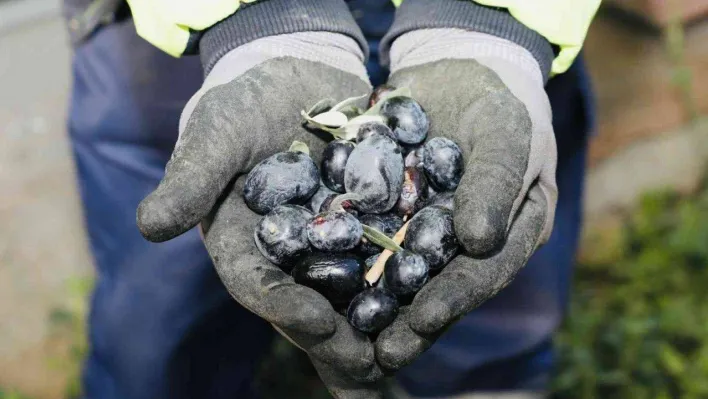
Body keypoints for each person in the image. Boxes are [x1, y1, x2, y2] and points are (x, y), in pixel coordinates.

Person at [63, 0, 599, 398]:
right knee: (162, 329)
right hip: (188, 34)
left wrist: (494, 23)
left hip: (486, 30)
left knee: (488, 294)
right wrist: (255, 19)